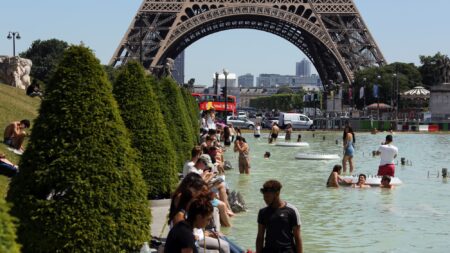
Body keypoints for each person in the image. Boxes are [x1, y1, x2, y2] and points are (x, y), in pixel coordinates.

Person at [256, 180, 302, 253]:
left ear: (277, 193)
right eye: (264, 197)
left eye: (267, 197)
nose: (265, 199)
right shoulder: (263, 212)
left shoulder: (292, 211)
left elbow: (297, 237)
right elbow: (260, 237)